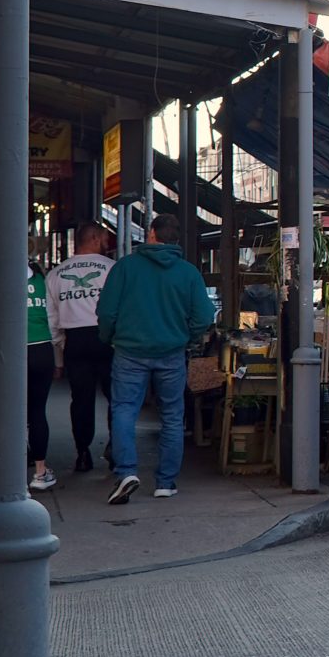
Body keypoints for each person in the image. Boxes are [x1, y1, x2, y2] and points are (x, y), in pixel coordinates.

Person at [98, 213, 217, 505]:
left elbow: (106, 311)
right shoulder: (189, 273)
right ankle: (165, 482)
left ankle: (125, 472)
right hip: (171, 354)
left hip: (129, 352)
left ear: (151, 234)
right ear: (175, 238)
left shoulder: (125, 268)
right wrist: (185, 338)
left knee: (124, 410)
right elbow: (203, 316)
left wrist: (109, 337)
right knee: (172, 417)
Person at [52, 223, 117, 473]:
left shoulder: (56, 274)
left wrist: (59, 355)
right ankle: (115, 446)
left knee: (80, 400)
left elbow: (52, 321)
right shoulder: (111, 269)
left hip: (74, 340)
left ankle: (82, 453)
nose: (107, 245)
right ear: (93, 238)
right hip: (107, 339)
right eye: (104, 239)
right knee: (117, 397)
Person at [26, 262, 57, 492]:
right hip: (42, 348)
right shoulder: (41, 281)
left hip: (9, 352)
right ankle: (39, 471)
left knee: (9, 414)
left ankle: (8, 474)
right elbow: (52, 318)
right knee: (37, 412)